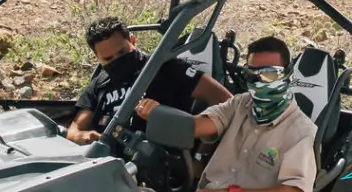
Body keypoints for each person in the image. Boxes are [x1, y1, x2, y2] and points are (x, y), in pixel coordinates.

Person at [137, 36, 318, 192]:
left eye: (269, 76)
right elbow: (199, 125)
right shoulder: (242, 104)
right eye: (253, 76)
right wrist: (159, 114)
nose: (260, 84)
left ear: (286, 75)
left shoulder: (299, 130)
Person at [66, 17, 230, 144]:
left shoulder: (166, 68)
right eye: (108, 58)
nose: (117, 60)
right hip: (107, 161)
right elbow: (74, 130)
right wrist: (83, 136)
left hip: (157, 165)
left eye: (122, 52)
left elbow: (227, 102)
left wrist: (201, 149)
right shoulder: (99, 83)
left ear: (133, 41)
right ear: (97, 58)